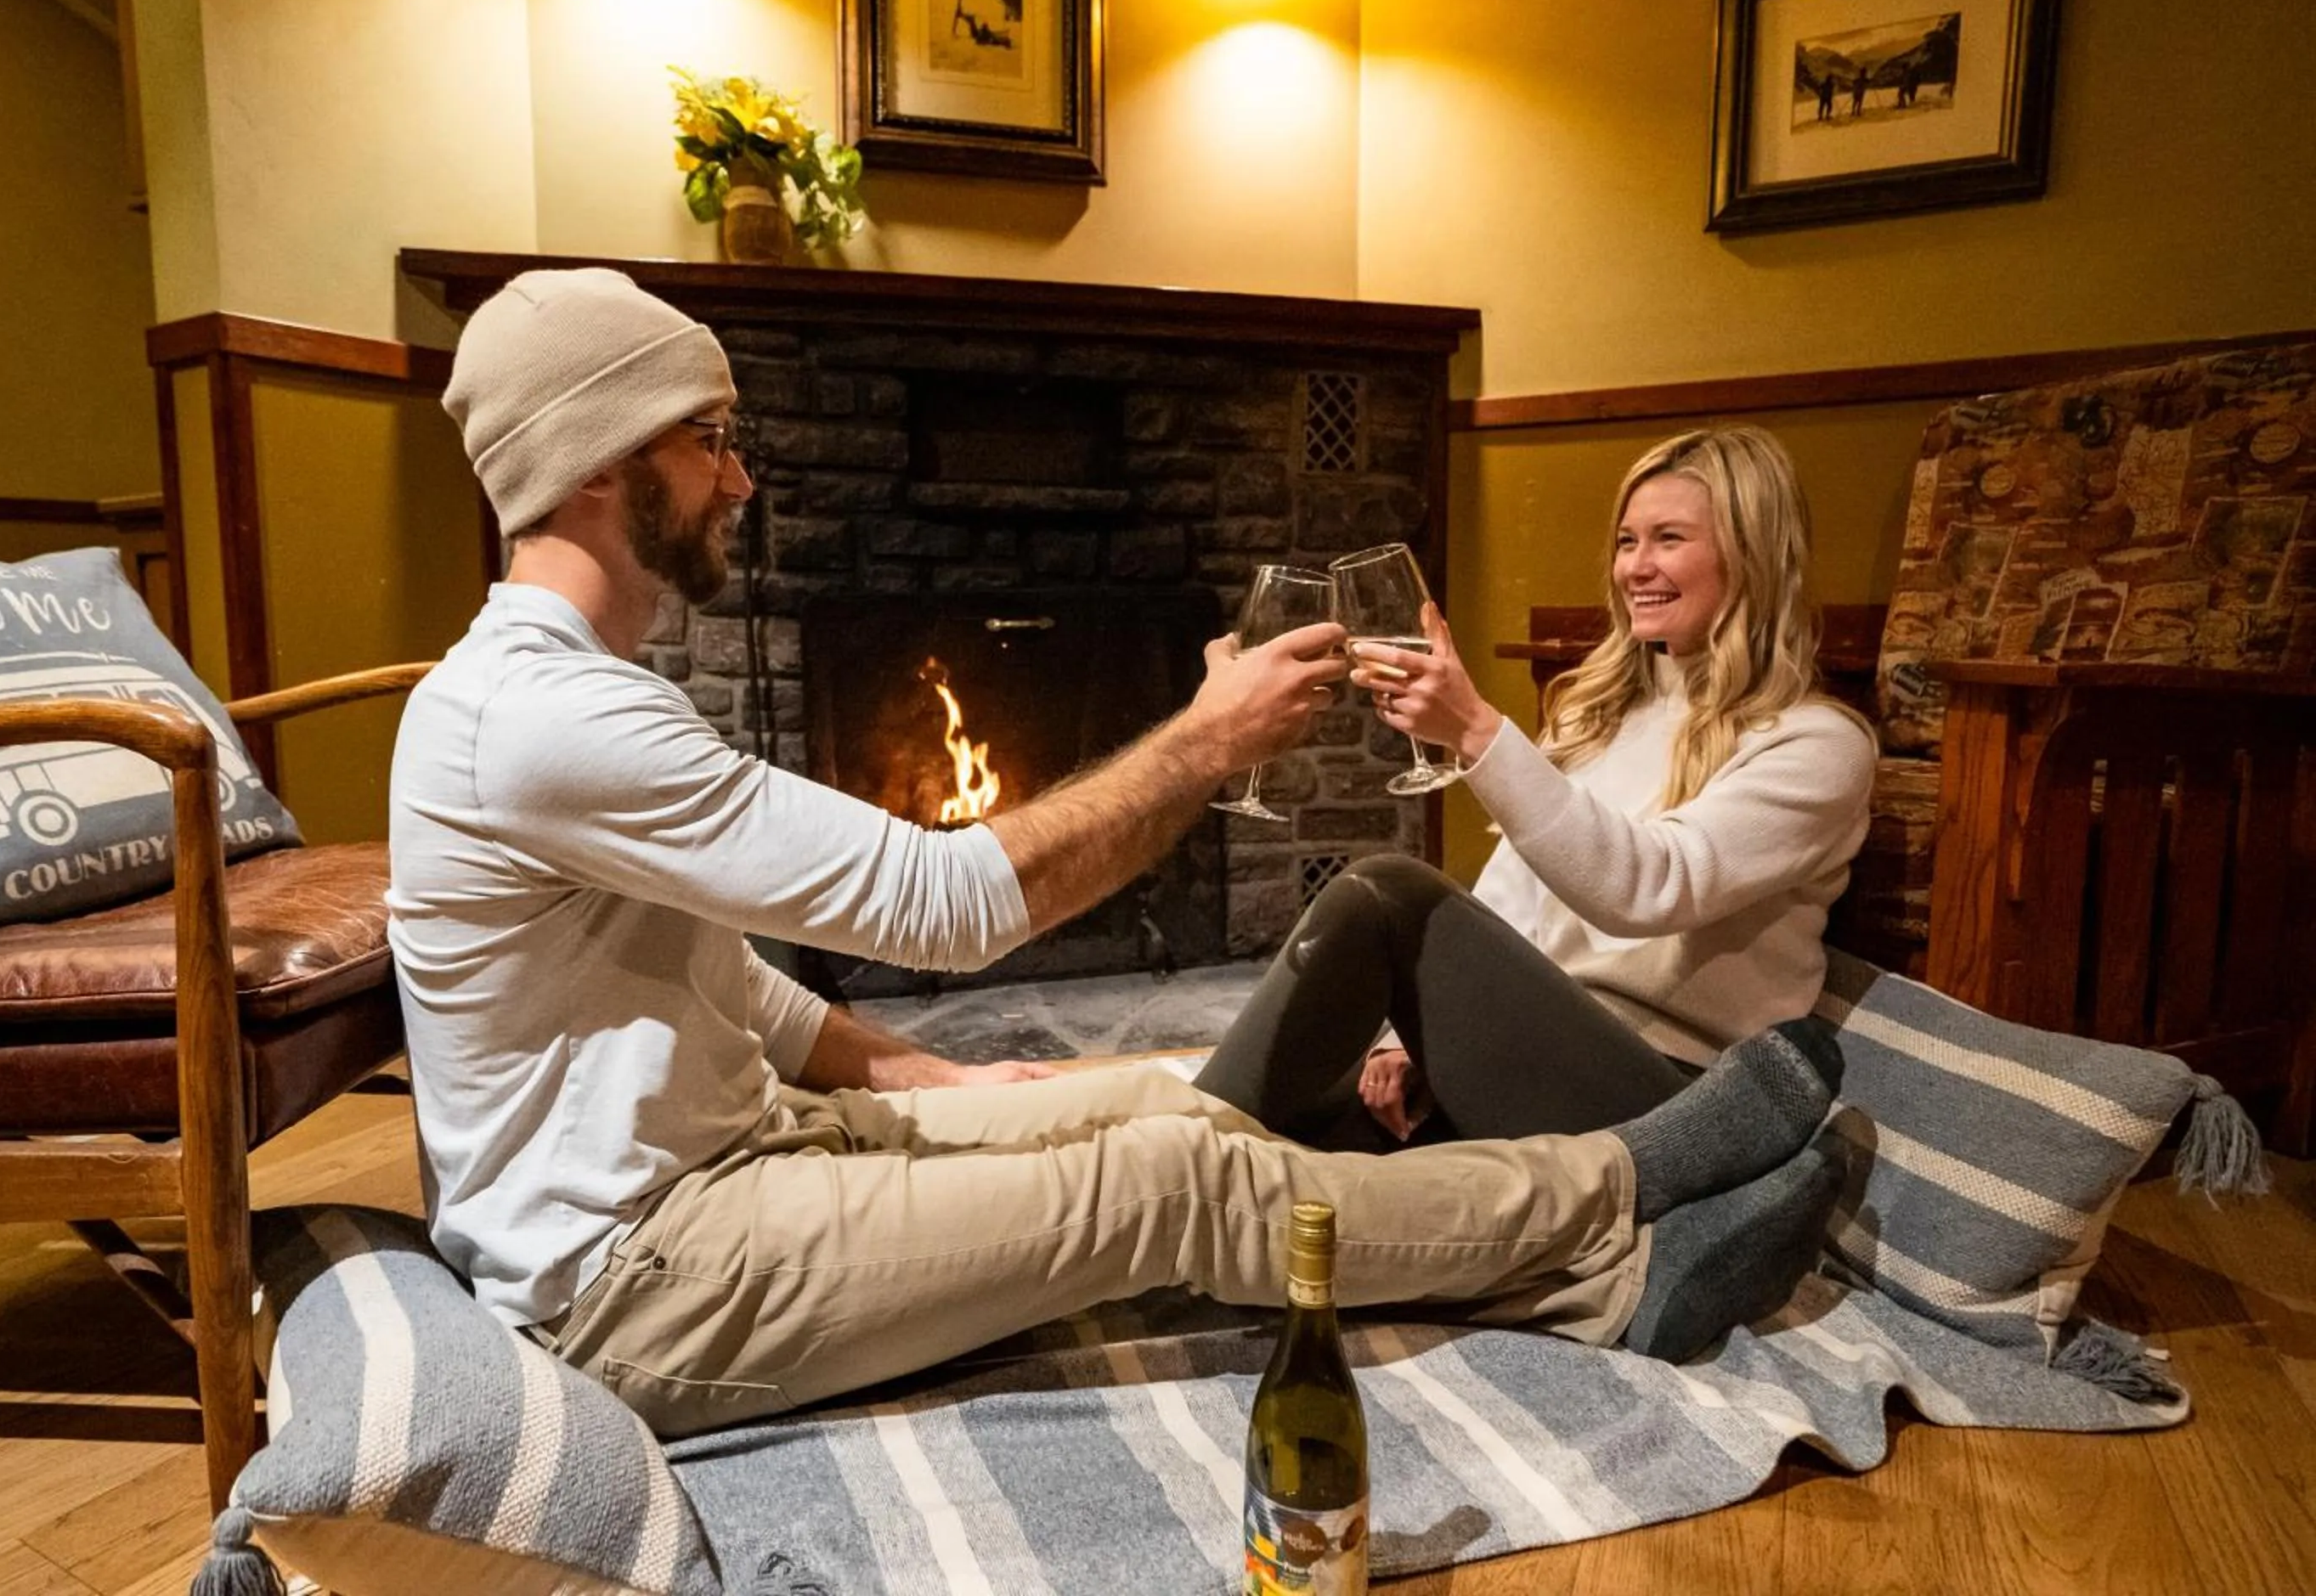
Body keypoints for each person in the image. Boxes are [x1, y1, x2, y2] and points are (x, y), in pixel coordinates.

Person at [390, 272, 1849, 1440]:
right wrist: (1208, 740)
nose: (744, 478)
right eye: (707, 436)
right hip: (647, 1279)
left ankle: (1589, 1293)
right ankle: (1619, 1194)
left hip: (747, 1158)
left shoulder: (580, 701)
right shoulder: (540, 718)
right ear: (594, 461)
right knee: (1170, 1193)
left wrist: (934, 1079)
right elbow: (944, 902)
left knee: (1172, 1108)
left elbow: (728, 987)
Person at [1192, 428, 1877, 1169]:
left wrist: (1479, 733)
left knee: (1384, 893)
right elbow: (1512, 897)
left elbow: (1653, 889)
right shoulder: (1601, 711)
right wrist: (1407, 1036)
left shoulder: (1818, 746)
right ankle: (1170, 1177)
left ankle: (1171, 1153)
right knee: (1298, 1136)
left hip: (1674, 1097)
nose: (1635, 568)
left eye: (1668, 539)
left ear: (1752, 554)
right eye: (1626, 541)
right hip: (1537, 1049)